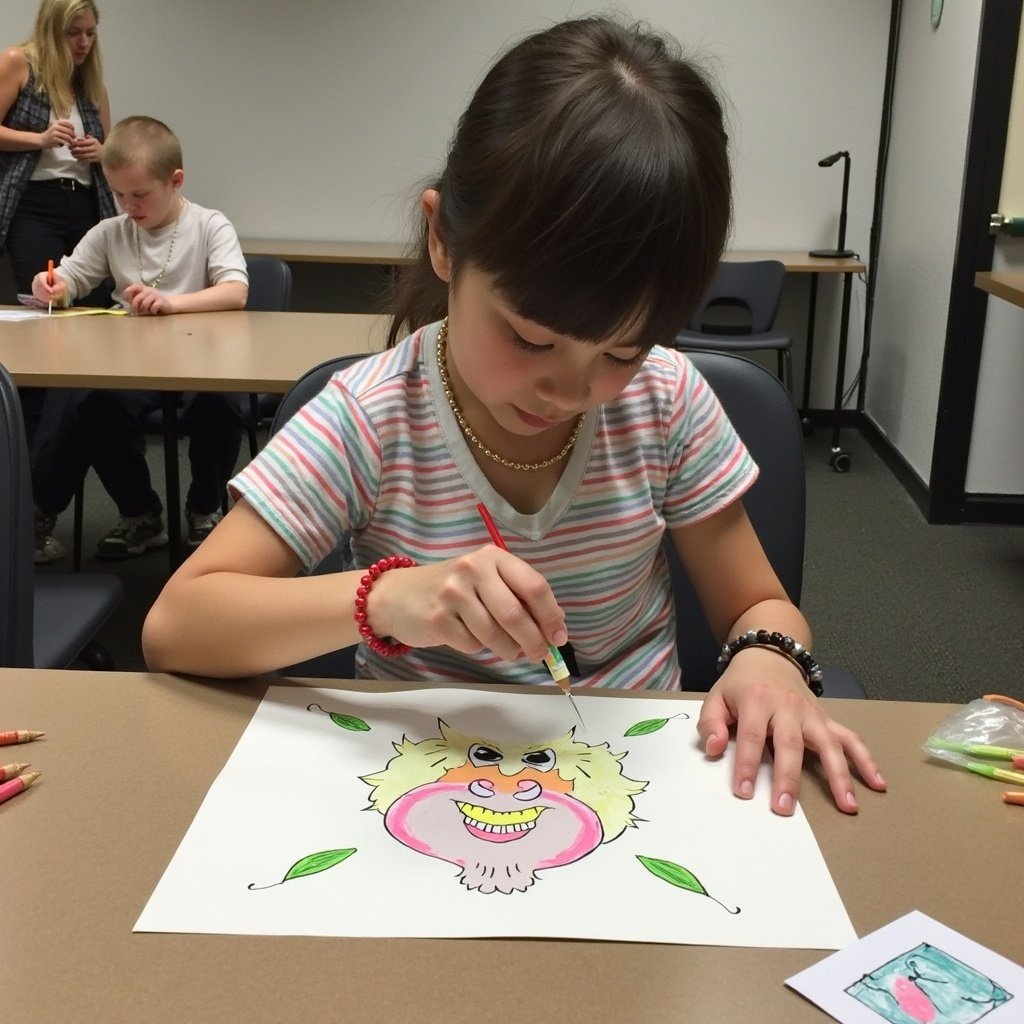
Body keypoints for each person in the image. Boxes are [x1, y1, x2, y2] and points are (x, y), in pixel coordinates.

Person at [142, 17, 886, 817]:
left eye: (621, 350)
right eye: (531, 338)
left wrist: (767, 659)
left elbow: (757, 605)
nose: (567, 391)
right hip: (420, 785)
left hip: (629, 784)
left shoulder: (663, 400)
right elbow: (179, 626)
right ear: (443, 242)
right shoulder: (371, 416)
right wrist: (386, 600)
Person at [31, 114, 248, 560]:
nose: (129, 205)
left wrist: (172, 303)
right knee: (93, 404)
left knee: (219, 405)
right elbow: (72, 274)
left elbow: (236, 290)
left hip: (201, 361)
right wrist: (53, 284)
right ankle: (141, 514)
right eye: (119, 194)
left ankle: (205, 508)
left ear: (176, 181)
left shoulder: (209, 225)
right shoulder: (112, 231)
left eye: (141, 194)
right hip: (134, 364)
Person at [0, 0, 116, 463]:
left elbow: (111, 151)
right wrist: (40, 139)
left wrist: (98, 150)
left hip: (86, 204)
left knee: (90, 320)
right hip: (35, 205)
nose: (84, 43)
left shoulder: (91, 84)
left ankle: (72, 429)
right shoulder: (18, 63)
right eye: (74, 33)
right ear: (52, 29)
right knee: (47, 317)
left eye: (90, 32)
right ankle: (33, 444)